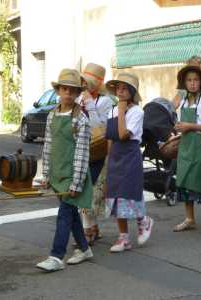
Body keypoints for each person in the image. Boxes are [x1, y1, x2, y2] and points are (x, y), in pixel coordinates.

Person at [37, 69, 94, 272]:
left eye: (72, 91)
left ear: (78, 93)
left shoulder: (81, 118)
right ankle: (85, 249)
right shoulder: (52, 114)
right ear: (58, 90)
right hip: (57, 174)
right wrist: (46, 175)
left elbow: (81, 153)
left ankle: (56, 256)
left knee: (64, 214)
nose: (68, 94)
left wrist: (76, 182)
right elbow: (48, 146)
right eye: (64, 89)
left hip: (73, 176)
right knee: (70, 215)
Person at [104, 73, 153, 253]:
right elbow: (110, 136)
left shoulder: (137, 112)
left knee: (129, 193)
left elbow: (124, 134)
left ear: (132, 92)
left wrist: (123, 111)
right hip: (116, 156)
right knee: (115, 197)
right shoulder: (112, 110)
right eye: (118, 88)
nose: (121, 92)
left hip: (130, 155)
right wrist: (109, 157)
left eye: (125, 88)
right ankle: (123, 237)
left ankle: (143, 220)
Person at [172, 65, 201, 232]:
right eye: (189, 80)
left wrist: (190, 126)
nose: (192, 83)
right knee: (183, 181)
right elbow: (177, 122)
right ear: (184, 83)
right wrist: (178, 129)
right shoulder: (182, 101)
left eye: (196, 80)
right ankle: (190, 219)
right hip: (185, 146)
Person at [78, 63, 114, 245]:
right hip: (81, 151)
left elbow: (100, 128)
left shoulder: (106, 102)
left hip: (99, 153)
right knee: (82, 192)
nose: (84, 85)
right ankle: (90, 229)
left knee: (93, 195)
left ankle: (88, 231)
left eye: (88, 82)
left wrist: (90, 105)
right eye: (83, 81)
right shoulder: (78, 99)